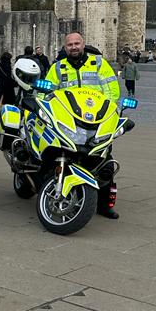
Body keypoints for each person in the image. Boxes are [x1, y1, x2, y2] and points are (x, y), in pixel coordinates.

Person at [46, 31, 121, 219]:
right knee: (51, 156)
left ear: (83, 44)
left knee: (105, 165)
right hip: (68, 122)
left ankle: (104, 205)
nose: (74, 47)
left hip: (96, 122)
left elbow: (112, 92)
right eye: (70, 44)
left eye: (77, 43)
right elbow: (46, 92)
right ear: (65, 47)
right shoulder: (57, 68)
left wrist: (107, 116)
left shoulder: (98, 64)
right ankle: (51, 191)